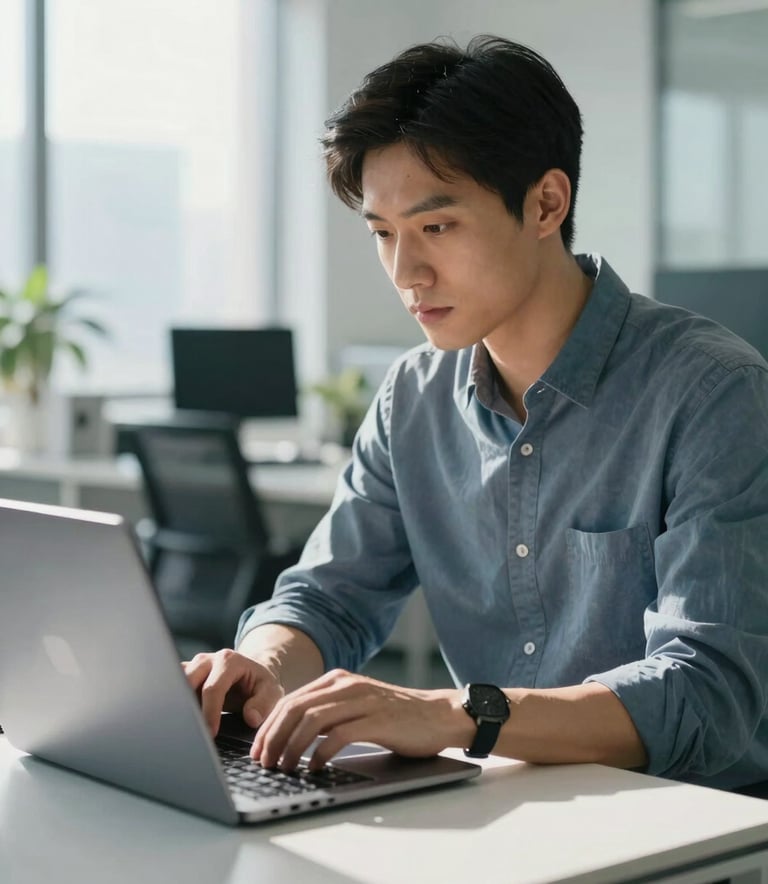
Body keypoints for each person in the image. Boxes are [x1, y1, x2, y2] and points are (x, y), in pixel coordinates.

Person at [184, 35, 768, 789]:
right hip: (496, 814)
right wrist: (260, 665)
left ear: (546, 204)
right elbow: (328, 596)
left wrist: (464, 714)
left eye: (437, 227)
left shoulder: (713, 392)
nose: (406, 272)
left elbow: (707, 696)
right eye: (383, 234)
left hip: (682, 831)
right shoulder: (411, 398)